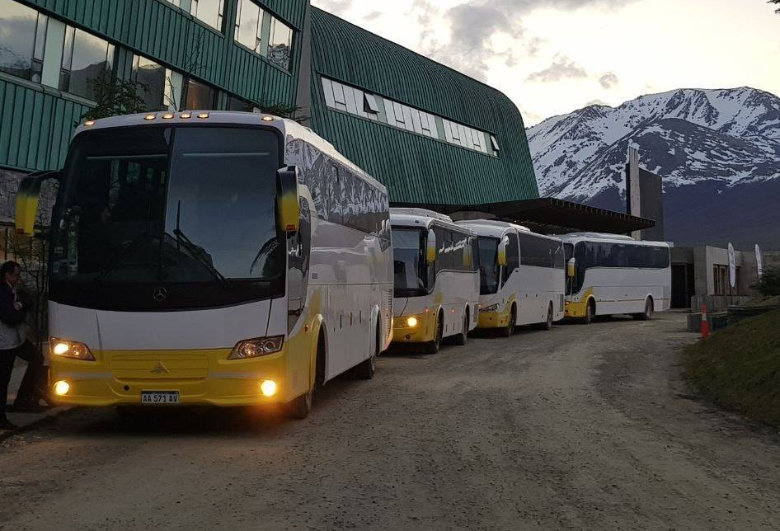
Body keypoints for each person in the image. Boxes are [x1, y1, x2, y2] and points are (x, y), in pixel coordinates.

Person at [0, 261, 46, 430]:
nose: (18, 278)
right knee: (3, 380)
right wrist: (21, 309)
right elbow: (11, 316)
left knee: (36, 358)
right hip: (5, 342)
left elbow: (22, 307)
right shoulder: (3, 291)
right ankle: (2, 416)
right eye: (15, 275)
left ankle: (23, 399)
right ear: (7, 275)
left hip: (15, 339)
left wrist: (21, 307)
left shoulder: (11, 290)